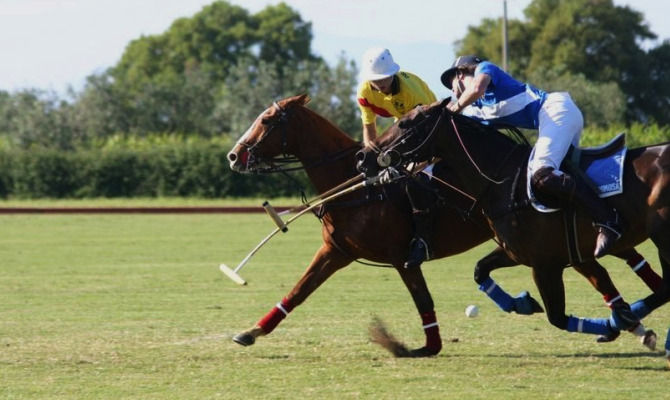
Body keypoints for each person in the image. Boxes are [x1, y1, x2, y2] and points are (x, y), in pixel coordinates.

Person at [441, 55, 621, 258]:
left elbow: (476, 89)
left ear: (462, 73)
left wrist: (454, 108)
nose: (452, 91)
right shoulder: (475, 112)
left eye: (452, 82)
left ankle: (608, 220)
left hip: (556, 109)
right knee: (555, 177)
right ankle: (583, 225)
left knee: (541, 174)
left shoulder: (485, 68)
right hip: (552, 120)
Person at [357, 47, 437, 269]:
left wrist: (410, 164)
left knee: (416, 177)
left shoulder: (412, 93)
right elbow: (369, 128)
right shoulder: (365, 91)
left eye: (384, 78)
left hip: (432, 127)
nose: (381, 83)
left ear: (393, 73)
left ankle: (423, 240)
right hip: (403, 125)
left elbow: (424, 135)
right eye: (376, 79)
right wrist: (370, 159)